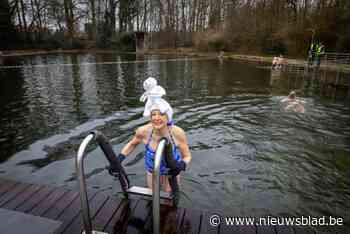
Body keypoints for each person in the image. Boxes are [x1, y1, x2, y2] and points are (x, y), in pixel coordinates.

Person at [115, 77, 192, 192]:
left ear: (167, 116)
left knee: (169, 197)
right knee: (153, 195)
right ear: (149, 117)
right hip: (152, 171)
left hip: (171, 172)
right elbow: (132, 144)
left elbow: (187, 156)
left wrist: (181, 165)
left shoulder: (177, 133)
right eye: (153, 114)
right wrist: (118, 160)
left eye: (161, 114)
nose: (157, 118)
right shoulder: (143, 131)